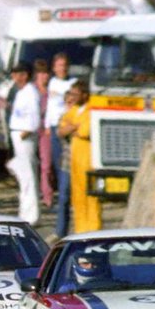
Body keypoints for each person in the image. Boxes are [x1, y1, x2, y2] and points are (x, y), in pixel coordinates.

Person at [58, 79, 101, 233]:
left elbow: (85, 131)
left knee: (91, 196)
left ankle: (94, 229)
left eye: (76, 94)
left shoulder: (91, 110)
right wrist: (73, 127)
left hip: (88, 159)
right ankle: (81, 229)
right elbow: (61, 129)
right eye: (71, 94)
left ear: (85, 95)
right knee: (77, 196)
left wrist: (72, 128)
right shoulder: (74, 110)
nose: (72, 97)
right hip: (75, 160)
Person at [6, 62, 41, 226]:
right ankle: (24, 211)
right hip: (17, 134)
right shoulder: (21, 92)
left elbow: (34, 117)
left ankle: (31, 215)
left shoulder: (31, 92)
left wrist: (25, 133)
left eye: (16, 74)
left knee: (28, 176)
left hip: (24, 135)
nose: (13, 77)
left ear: (24, 75)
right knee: (22, 175)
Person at [46, 53, 73, 236]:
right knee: (57, 172)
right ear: (54, 68)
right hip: (54, 129)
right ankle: (61, 228)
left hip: (67, 130)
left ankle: (61, 230)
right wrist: (47, 126)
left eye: (64, 65)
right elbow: (50, 107)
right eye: (59, 65)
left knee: (66, 181)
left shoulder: (72, 83)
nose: (62, 68)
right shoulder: (52, 83)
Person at [33, 59, 53, 208]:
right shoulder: (31, 90)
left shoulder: (51, 92)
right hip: (32, 128)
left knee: (46, 164)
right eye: (41, 73)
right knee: (32, 162)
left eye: (46, 73)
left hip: (46, 129)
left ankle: (47, 195)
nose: (44, 76)